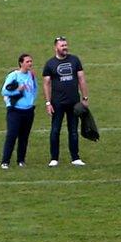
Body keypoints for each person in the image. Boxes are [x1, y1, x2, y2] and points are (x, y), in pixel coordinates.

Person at [41, 37, 87, 167]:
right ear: (56, 47)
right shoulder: (50, 64)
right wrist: (48, 103)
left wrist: (85, 98)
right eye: (62, 45)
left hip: (73, 102)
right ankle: (54, 158)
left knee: (73, 130)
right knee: (55, 130)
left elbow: (81, 79)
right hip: (57, 103)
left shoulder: (75, 60)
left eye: (66, 45)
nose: (65, 47)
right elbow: (46, 84)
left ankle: (75, 157)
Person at [0, 53, 37, 167]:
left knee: (24, 137)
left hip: (28, 111)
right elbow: (4, 91)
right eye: (27, 61)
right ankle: (5, 161)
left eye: (31, 61)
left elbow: (35, 88)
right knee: (12, 135)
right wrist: (18, 90)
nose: (30, 63)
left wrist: (31, 101)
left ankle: (21, 160)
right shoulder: (14, 76)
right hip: (15, 111)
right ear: (21, 63)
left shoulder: (31, 75)